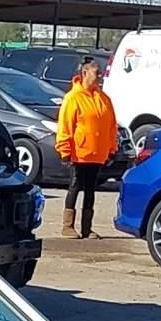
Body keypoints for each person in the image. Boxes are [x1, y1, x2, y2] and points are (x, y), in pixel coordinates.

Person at [54, 58, 120, 238]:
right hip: (79, 153)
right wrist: (65, 150)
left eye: (100, 73)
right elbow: (65, 125)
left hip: (97, 153)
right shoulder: (72, 98)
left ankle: (86, 228)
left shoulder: (104, 98)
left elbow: (111, 126)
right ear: (84, 73)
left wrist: (112, 148)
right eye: (96, 73)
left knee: (91, 190)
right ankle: (67, 226)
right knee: (75, 186)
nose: (99, 76)